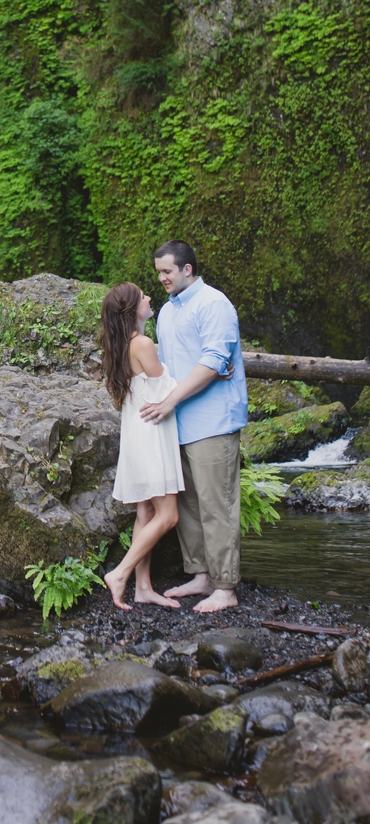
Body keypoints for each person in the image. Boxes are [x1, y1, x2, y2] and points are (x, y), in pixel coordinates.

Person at [139, 239, 248, 614]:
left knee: (217, 503)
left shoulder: (213, 304)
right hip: (178, 422)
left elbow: (216, 358)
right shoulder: (168, 312)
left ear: (187, 269)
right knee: (188, 503)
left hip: (213, 420)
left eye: (167, 271)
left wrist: (174, 398)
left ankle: (224, 586)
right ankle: (200, 574)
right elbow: (168, 366)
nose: (162, 279)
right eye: (158, 273)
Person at [100, 282, 184, 610]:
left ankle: (144, 587)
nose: (149, 298)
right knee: (169, 515)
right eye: (143, 297)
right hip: (151, 436)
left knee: (146, 511)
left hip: (137, 434)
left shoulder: (120, 345)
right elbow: (169, 388)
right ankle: (120, 573)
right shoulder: (143, 344)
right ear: (132, 310)